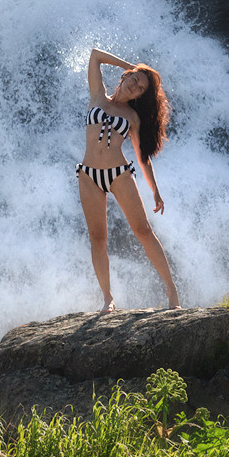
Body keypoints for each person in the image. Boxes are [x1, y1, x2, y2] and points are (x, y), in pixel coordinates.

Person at [76, 47, 181, 312]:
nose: (135, 86)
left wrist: (155, 191)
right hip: (88, 175)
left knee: (143, 230)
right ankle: (107, 299)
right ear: (124, 76)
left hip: (118, 174)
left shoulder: (132, 117)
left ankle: (172, 291)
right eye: (134, 79)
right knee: (98, 238)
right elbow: (95, 56)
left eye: (142, 88)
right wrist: (132, 66)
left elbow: (142, 158)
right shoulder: (97, 95)